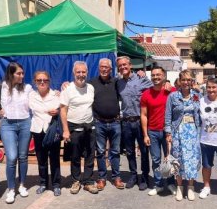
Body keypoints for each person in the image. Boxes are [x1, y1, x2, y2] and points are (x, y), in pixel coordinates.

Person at [0, 62, 33, 204]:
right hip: (7, 124)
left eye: (23, 73)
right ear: (11, 74)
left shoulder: (28, 88)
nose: (22, 76)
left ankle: (22, 185)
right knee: (11, 157)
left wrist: (58, 91)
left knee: (23, 156)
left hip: (25, 123)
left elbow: (39, 97)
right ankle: (11, 189)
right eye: (19, 73)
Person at [60, 61, 98, 195]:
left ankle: (87, 181)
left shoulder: (91, 88)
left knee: (89, 155)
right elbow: (63, 111)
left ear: (87, 73)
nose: (81, 75)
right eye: (78, 72)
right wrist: (65, 130)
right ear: (73, 73)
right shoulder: (67, 89)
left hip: (89, 127)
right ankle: (75, 180)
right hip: (74, 128)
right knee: (75, 156)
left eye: (83, 72)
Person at [165, 70, 201, 201]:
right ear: (179, 81)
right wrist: (168, 132)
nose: (186, 82)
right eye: (183, 80)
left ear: (192, 81)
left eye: (188, 80)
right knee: (178, 160)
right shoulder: (173, 96)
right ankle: (179, 187)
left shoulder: (197, 95)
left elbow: (202, 112)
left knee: (192, 160)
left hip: (192, 131)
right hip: (178, 132)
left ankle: (190, 187)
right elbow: (168, 115)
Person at [116, 56, 151, 190]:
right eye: (120, 66)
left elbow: (156, 88)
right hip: (126, 122)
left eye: (125, 65)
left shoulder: (141, 79)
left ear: (130, 65)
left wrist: (167, 85)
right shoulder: (118, 83)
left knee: (143, 150)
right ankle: (133, 175)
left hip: (140, 121)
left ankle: (145, 176)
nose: (123, 67)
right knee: (129, 151)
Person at [141, 66, 176, 196]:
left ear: (164, 76)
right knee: (156, 159)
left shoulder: (172, 91)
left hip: (168, 132)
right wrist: (145, 134)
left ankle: (171, 183)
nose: (155, 77)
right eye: (153, 75)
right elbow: (143, 115)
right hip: (153, 131)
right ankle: (158, 184)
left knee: (170, 159)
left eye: (158, 75)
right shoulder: (146, 94)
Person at [91, 58, 125, 191]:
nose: (104, 69)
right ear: (99, 68)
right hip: (99, 122)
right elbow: (78, 86)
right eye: (102, 67)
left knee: (115, 151)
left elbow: (129, 83)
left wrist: (141, 75)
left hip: (115, 122)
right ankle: (102, 178)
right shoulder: (92, 83)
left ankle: (116, 177)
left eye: (106, 67)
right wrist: (66, 84)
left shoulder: (117, 82)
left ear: (111, 69)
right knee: (100, 152)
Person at [29, 71, 62, 196]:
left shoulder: (56, 95)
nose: (42, 82)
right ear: (35, 82)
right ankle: (43, 183)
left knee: (54, 159)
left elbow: (62, 108)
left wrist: (58, 111)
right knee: (41, 159)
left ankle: (56, 184)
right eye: (39, 80)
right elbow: (32, 107)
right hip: (38, 130)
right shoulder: (31, 95)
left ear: (49, 81)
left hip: (52, 131)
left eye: (45, 80)